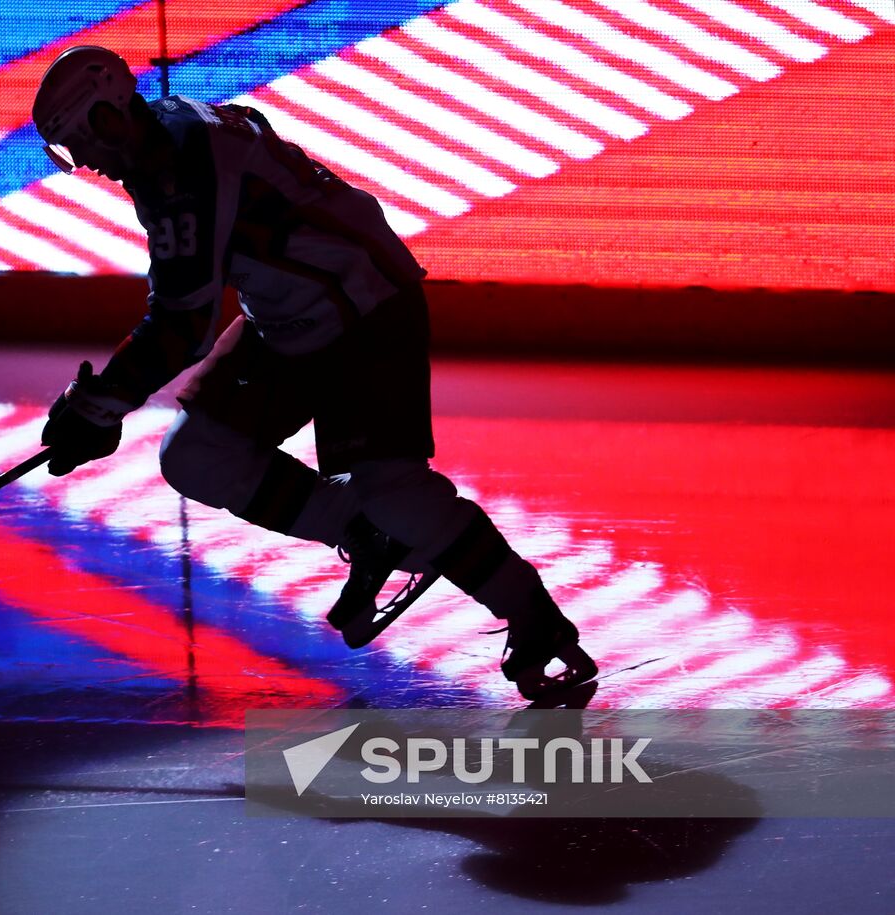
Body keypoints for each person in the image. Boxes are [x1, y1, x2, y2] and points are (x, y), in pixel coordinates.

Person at [31, 46, 595, 700]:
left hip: (367, 308)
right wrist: (104, 401)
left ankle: (533, 617)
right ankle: (366, 534)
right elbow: (182, 309)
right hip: (290, 322)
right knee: (195, 453)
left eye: (80, 143)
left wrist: (99, 405)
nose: (89, 163)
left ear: (109, 114)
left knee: (396, 489)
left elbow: (184, 324)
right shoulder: (166, 153)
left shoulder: (190, 166)